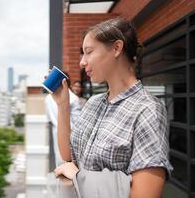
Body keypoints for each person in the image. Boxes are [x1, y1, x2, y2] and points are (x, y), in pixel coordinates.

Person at [50, 18, 173, 197]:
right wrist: (62, 104)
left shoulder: (147, 110)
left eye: (89, 52)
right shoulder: (94, 103)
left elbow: (145, 195)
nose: (82, 62)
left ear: (116, 48)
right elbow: (68, 155)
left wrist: (78, 176)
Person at [45, 72, 82, 167]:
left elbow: (48, 118)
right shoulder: (73, 98)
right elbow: (78, 122)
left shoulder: (48, 98)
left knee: (59, 163)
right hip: (70, 133)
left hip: (55, 131)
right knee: (71, 164)